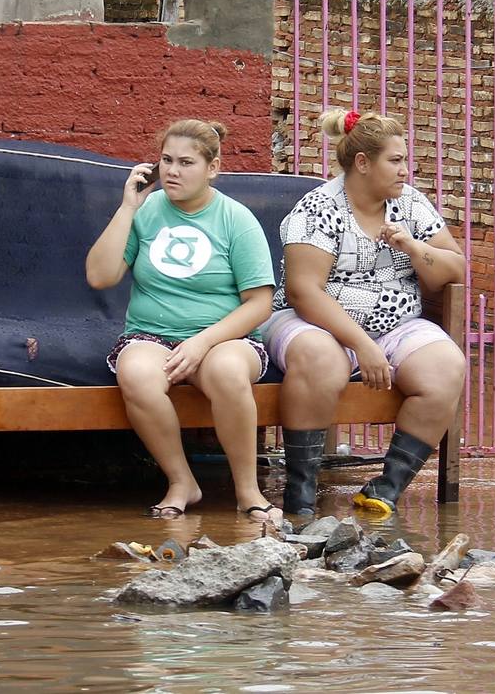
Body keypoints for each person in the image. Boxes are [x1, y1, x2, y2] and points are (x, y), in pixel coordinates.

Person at [264, 108, 466, 518]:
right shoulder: (318, 208)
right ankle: (300, 494)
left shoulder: (410, 204)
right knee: (322, 361)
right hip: (312, 322)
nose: (404, 170)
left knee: (447, 365)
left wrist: (412, 247)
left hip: (396, 324)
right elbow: (305, 292)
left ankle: (384, 489)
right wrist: (361, 344)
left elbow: (456, 268)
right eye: (395, 160)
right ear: (362, 163)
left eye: (404, 160)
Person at [86, 119, 283, 524]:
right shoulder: (147, 212)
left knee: (228, 371)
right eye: (166, 160)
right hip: (151, 333)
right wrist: (128, 208)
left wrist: (201, 343)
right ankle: (181, 482)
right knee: (136, 373)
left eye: (186, 162)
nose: (173, 171)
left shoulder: (236, 219)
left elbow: (260, 304)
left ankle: (248, 491)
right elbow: (100, 277)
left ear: (212, 168)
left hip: (225, 338)